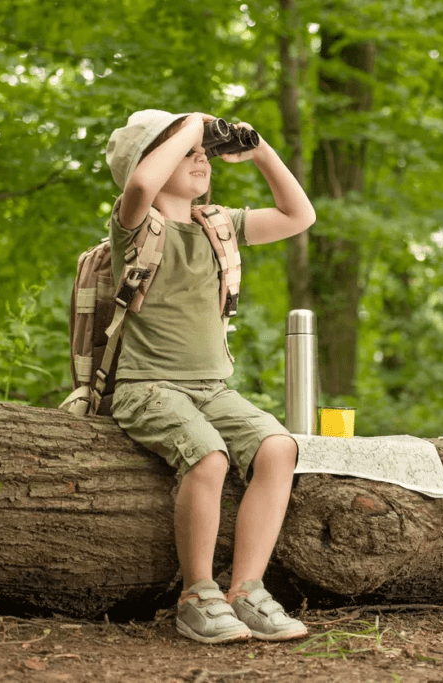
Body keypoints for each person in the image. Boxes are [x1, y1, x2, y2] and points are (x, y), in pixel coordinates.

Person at [104, 109, 316, 644]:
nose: (201, 156)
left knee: (277, 447)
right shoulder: (134, 226)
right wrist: (192, 127)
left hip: (211, 389)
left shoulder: (218, 225)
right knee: (208, 455)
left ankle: (247, 589)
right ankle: (198, 593)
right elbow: (144, 183)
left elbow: (299, 216)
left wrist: (261, 151)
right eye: (186, 150)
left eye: (203, 151)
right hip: (146, 387)